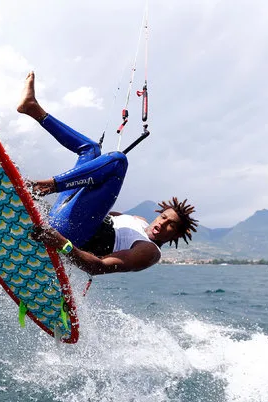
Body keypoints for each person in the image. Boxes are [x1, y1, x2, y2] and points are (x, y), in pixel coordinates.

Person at [17, 71, 198, 275]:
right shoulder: (138, 220)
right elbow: (95, 206)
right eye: (164, 217)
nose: (162, 223)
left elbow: (97, 267)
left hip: (66, 236)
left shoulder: (149, 251)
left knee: (118, 161)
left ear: (177, 234)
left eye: (171, 225)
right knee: (91, 149)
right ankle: (33, 108)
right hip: (62, 217)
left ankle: (45, 186)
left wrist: (61, 244)